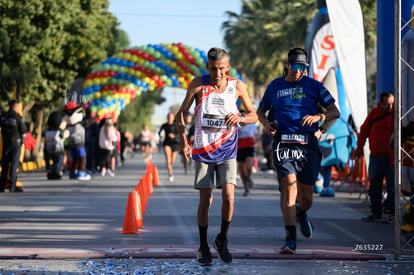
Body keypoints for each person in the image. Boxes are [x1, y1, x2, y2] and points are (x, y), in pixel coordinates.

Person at [176, 47, 257, 265]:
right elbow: (181, 114)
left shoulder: (237, 86)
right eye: (213, 69)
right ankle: (203, 246)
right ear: (207, 68)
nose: (218, 74)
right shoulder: (198, 84)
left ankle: (222, 239)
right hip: (203, 151)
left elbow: (254, 115)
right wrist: (184, 142)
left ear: (228, 67)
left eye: (222, 69)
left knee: (229, 197)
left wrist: (239, 116)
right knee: (206, 199)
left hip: (228, 150)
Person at [256, 48, 340, 254]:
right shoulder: (275, 86)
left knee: (307, 198)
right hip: (283, 144)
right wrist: (266, 125)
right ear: (288, 65)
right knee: (289, 187)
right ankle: (290, 237)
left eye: (303, 68)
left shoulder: (314, 86)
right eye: (295, 67)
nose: (298, 71)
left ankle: (301, 213)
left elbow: (334, 112)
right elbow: (260, 110)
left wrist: (318, 118)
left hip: (308, 145)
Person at [353, 91, 395, 222]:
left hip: (392, 158)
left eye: (393, 104)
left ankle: (391, 211)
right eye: (387, 104)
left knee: (393, 186)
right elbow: (364, 131)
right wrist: (359, 147)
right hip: (376, 157)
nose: (390, 107)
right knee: (374, 186)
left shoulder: (397, 114)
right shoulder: (374, 114)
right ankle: (376, 212)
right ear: (381, 104)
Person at [0, 100, 27, 192]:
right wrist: (22, 143)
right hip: (15, 144)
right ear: (16, 107)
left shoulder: (3, 117)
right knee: (14, 165)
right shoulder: (17, 117)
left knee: (5, 166)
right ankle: (12, 186)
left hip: (5, 144)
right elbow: (23, 131)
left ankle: (2, 186)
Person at [64, 102, 91, 181]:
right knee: (82, 156)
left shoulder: (68, 122)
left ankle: (72, 172)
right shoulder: (80, 122)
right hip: (79, 142)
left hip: (71, 142)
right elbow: (88, 120)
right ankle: (81, 171)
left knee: (75, 158)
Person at [237, 111, 259, 196]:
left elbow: (257, 135)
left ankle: (249, 177)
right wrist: (236, 135)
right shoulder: (237, 127)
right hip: (239, 148)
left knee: (249, 167)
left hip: (249, 147)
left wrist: (255, 139)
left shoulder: (252, 126)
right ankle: (246, 188)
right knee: (242, 170)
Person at [159, 112, 180, 182]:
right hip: (167, 143)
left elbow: (180, 135)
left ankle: (170, 167)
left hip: (175, 144)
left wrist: (174, 136)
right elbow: (159, 133)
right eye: (168, 116)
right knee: (168, 160)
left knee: (172, 161)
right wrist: (160, 135)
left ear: (174, 117)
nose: (169, 117)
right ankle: (170, 174)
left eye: (171, 116)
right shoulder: (164, 125)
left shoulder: (176, 125)